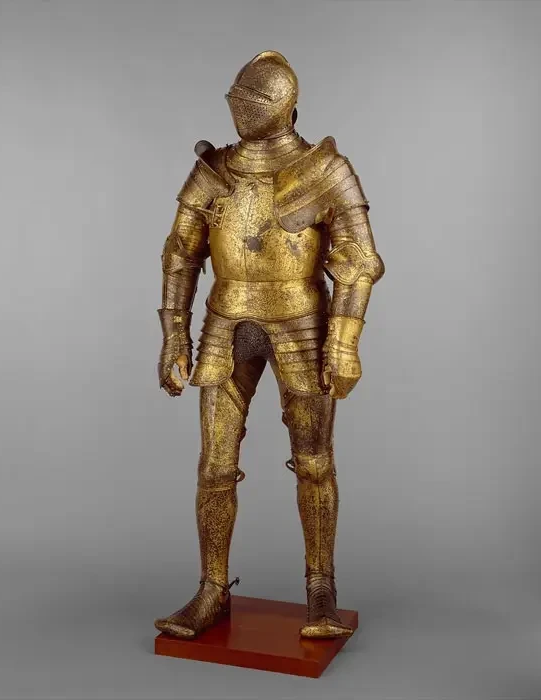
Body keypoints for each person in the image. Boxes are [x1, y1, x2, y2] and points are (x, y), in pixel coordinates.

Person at [154, 51, 384, 640]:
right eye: (239, 101)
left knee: (313, 462)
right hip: (224, 321)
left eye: (253, 103)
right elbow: (181, 253)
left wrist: (344, 341)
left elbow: (358, 261)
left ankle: (321, 590)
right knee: (214, 466)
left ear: (283, 108)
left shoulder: (325, 170)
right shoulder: (214, 171)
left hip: (301, 323)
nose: (243, 111)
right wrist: (174, 332)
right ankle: (212, 589)